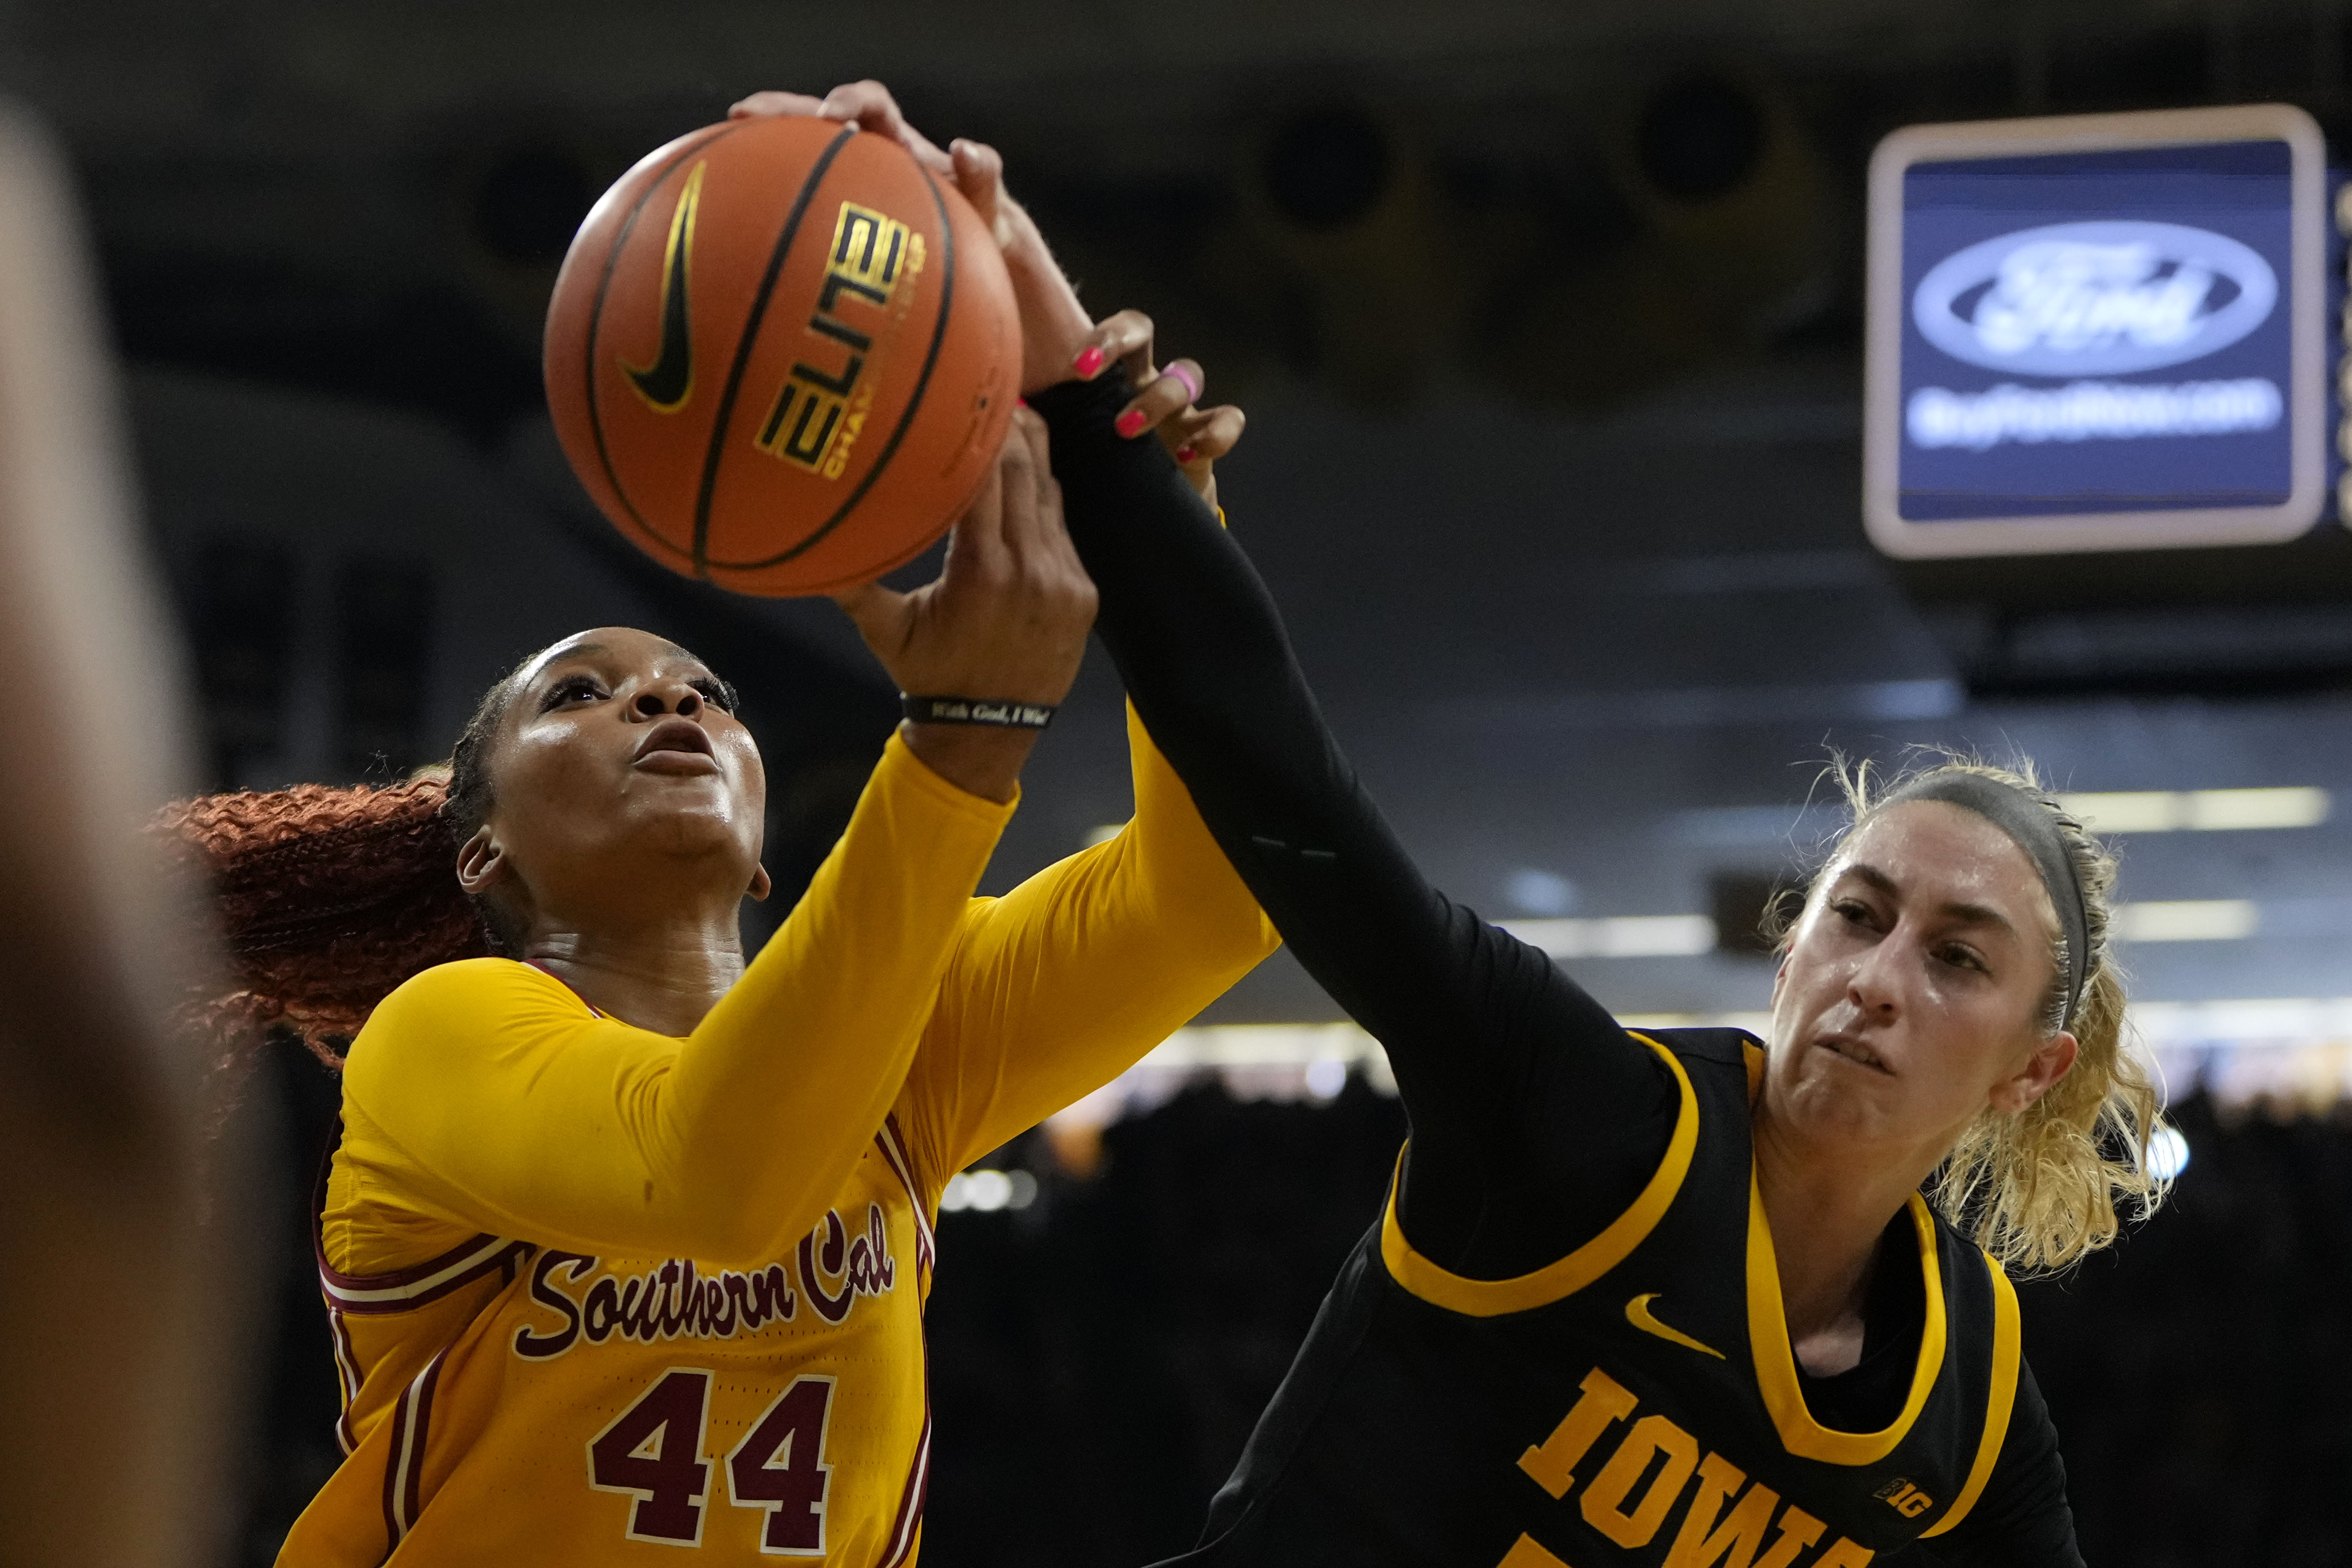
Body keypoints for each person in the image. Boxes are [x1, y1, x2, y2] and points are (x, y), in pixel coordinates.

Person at [1019, 299, 2169, 1565]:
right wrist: (1098, 436)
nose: (1877, 979)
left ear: (2031, 1070)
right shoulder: (1584, 1118)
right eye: (1858, 915)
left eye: (1957, 956)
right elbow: (1297, 805)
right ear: (1791, 953)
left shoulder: (1976, 1402)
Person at [162, 387, 1277, 1559]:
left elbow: (1214, 898)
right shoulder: (440, 1033)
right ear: (481, 852)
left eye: (708, 692)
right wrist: (952, 746)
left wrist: (1163, 546)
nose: (666, 694)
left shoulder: (891, 1012)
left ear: (756, 859)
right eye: (579, 693)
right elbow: (716, 1176)